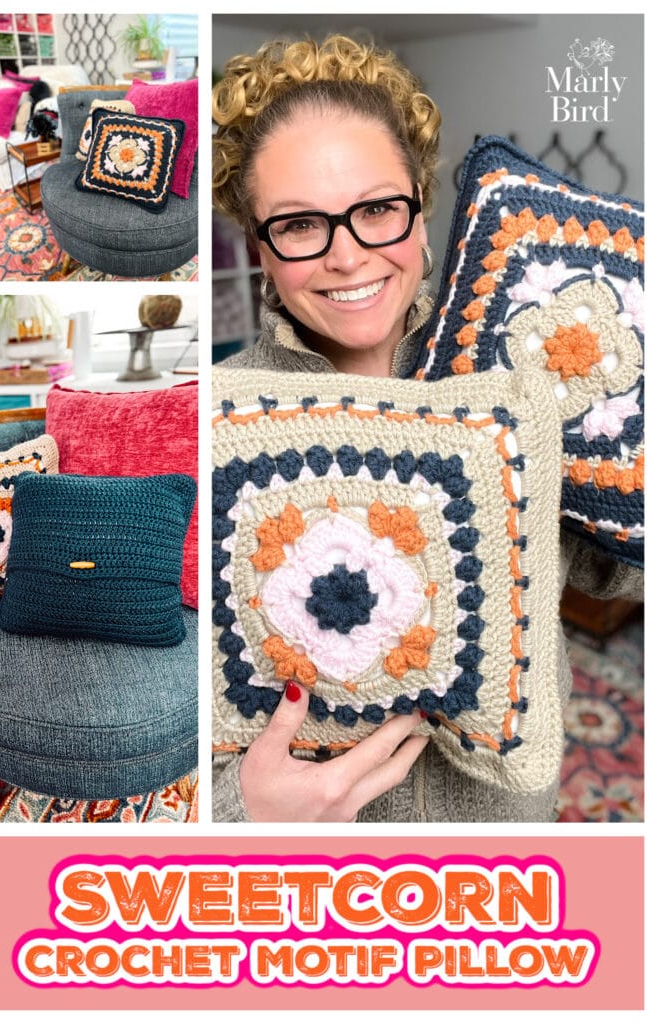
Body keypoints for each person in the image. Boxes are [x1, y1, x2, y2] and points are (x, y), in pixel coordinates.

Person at [211, 33, 642, 823]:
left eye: (377, 209)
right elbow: (163, 700)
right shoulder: (215, 423)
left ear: (419, 206)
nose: (347, 257)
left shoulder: (520, 372)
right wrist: (242, 810)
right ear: (257, 244)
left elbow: (613, 571)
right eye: (299, 225)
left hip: (507, 845)